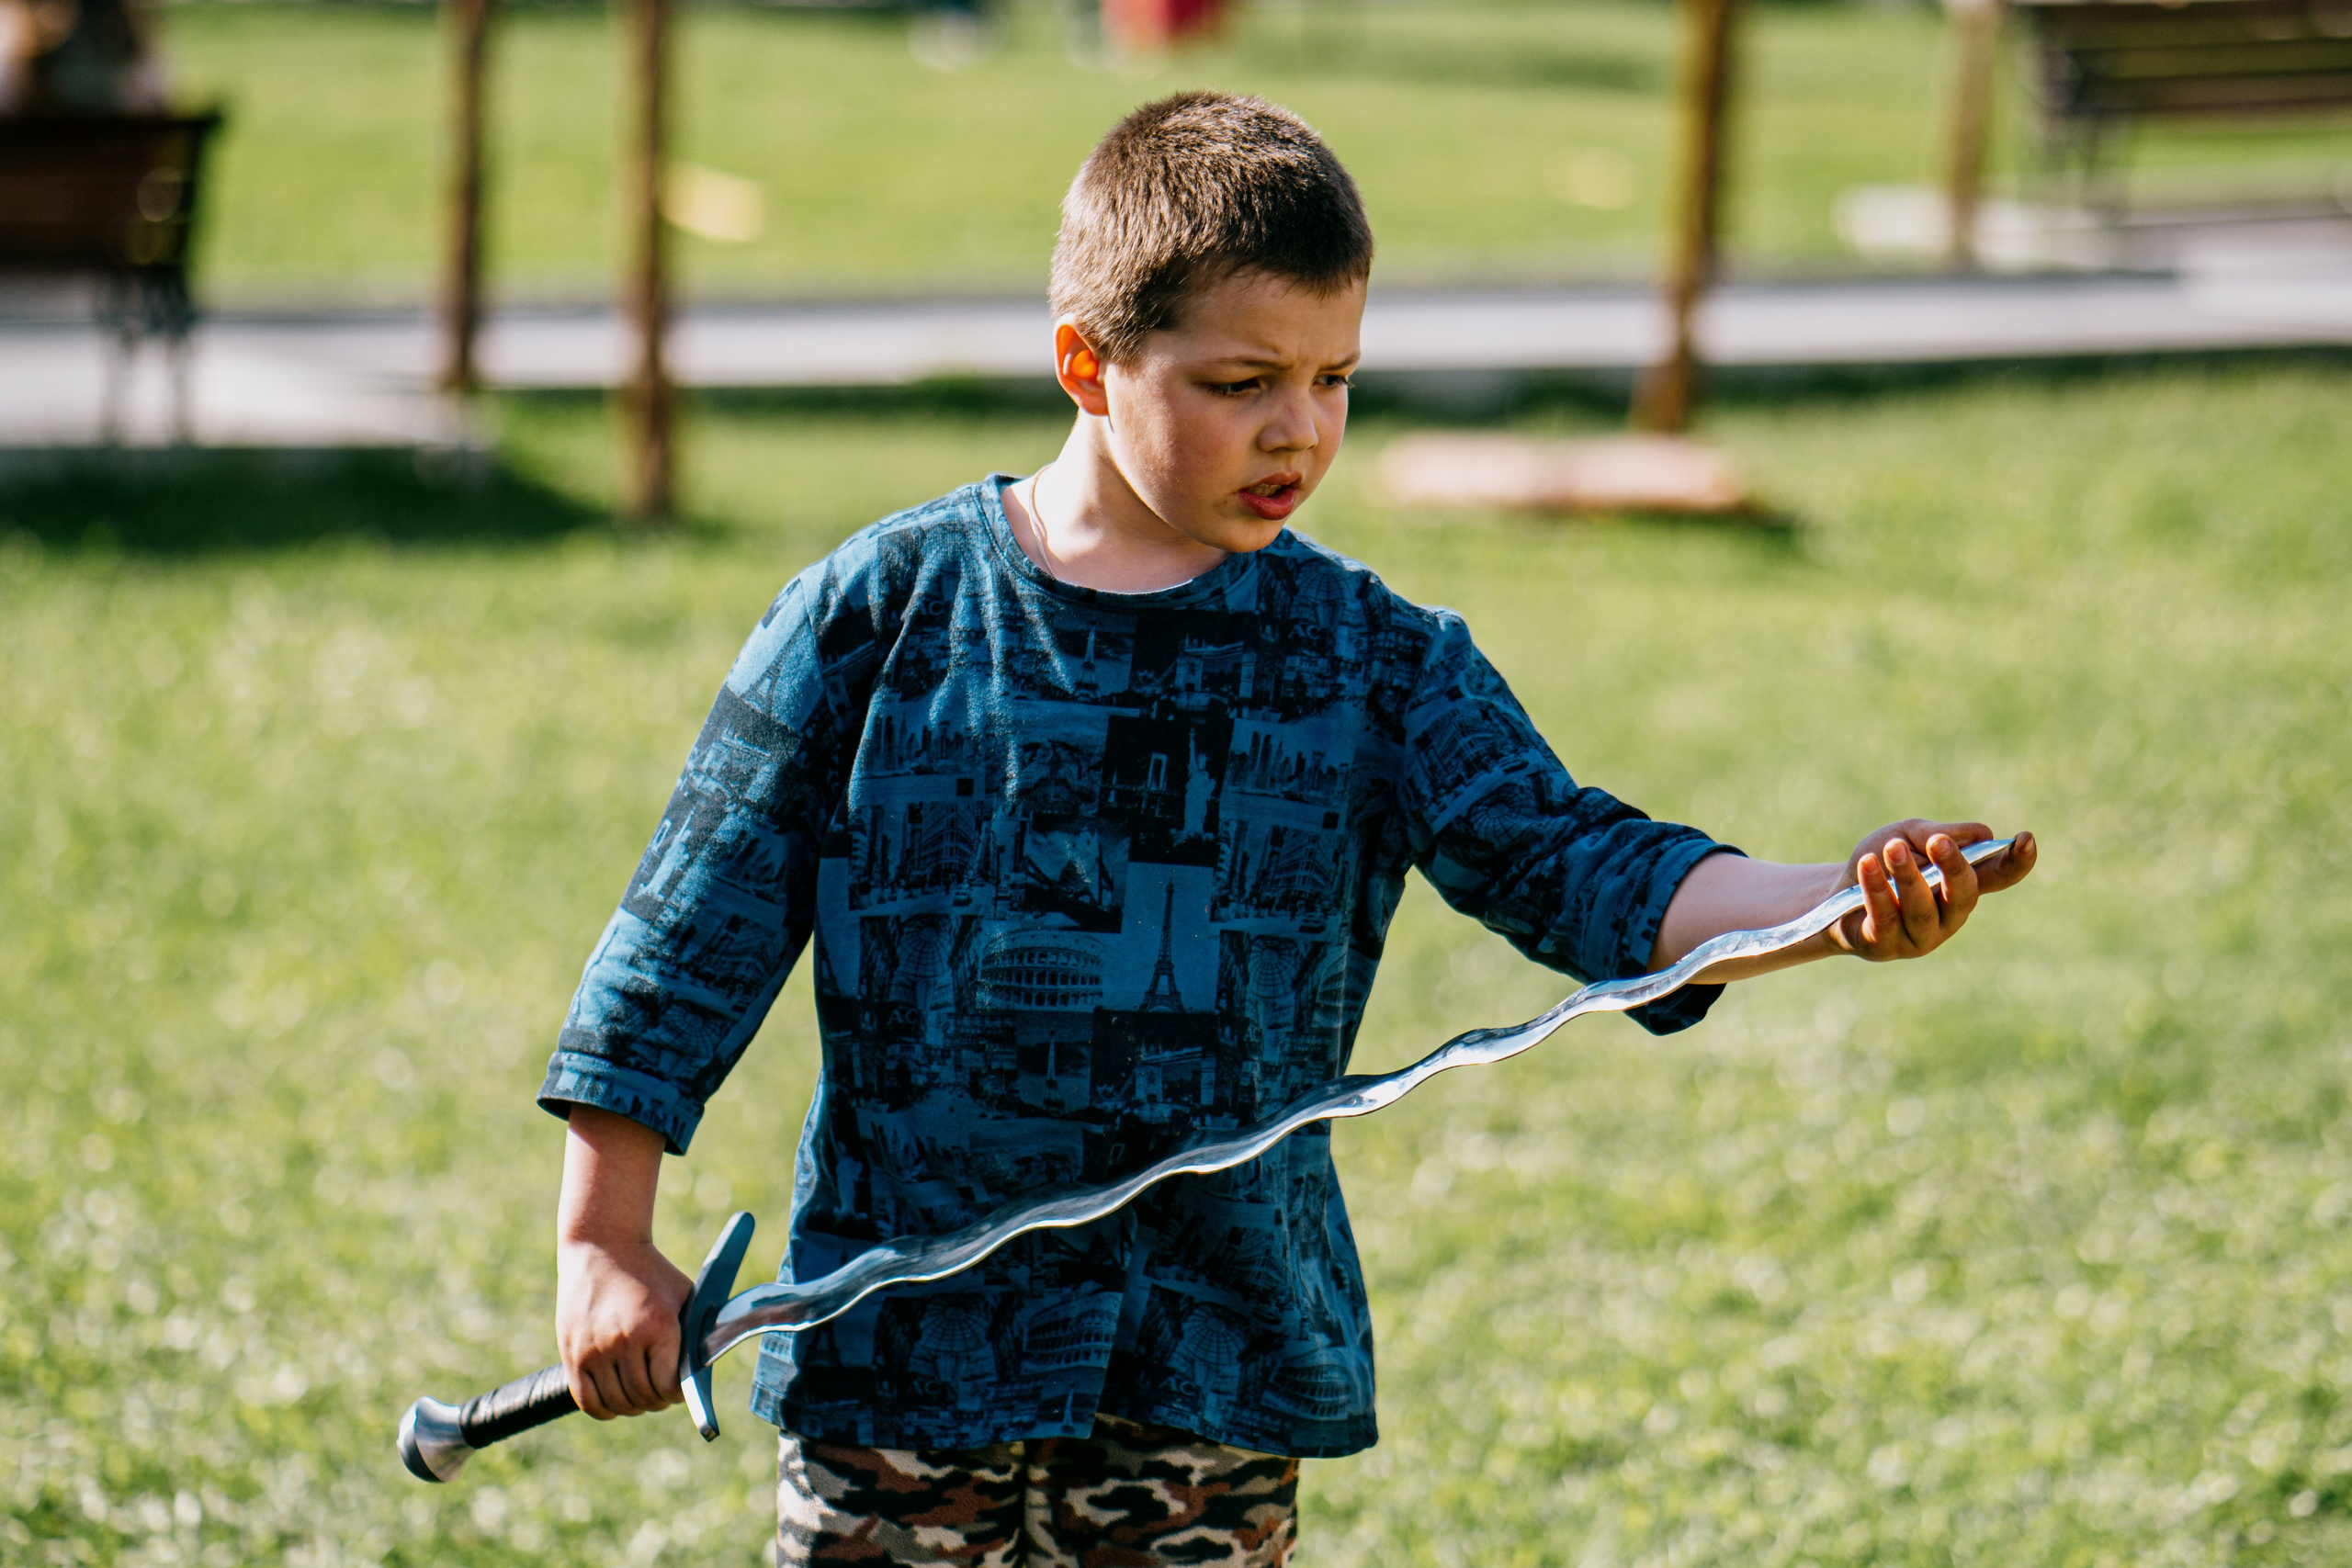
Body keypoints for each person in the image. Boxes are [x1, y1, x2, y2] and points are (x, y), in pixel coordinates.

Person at [538, 91, 2036, 1567]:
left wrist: (1824, 901)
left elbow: (1578, 865)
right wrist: (604, 1242)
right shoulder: (880, 616)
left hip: (1217, 1370)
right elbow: (689, 932)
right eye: (1240, 382)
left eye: (1335, 379)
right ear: (1087, 363)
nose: (1297, 430)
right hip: (901, 1374)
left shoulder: (1372, 658)